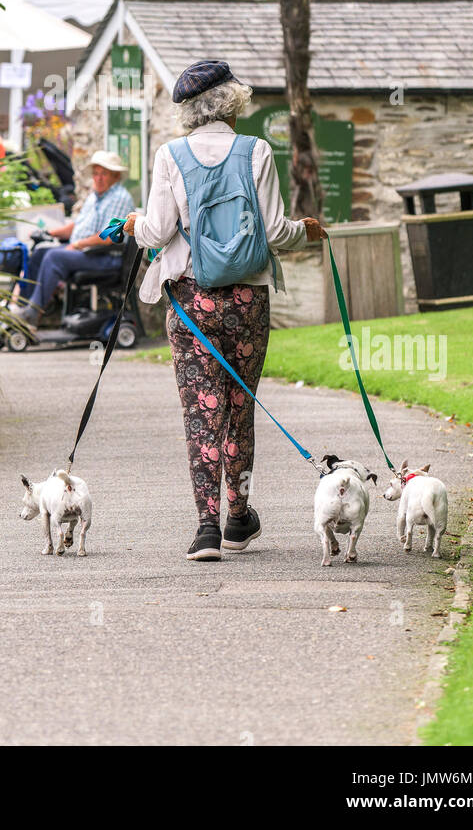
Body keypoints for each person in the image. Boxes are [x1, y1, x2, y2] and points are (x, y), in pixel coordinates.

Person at [122, 60, 326, 562]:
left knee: (201, 413)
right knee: (239, 409)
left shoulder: (169, 156)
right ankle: (239, 518)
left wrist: (131, 223)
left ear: (189, 109)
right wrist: (310, 231)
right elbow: (277, 232)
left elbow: (156, 232)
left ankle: (206, 530)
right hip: (247, 301)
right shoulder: (256, 151)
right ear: (234, 102)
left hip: (191, 302)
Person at [18, 150, 133, 328]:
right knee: (41, 252)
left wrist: (78, 244)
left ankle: (32, 312)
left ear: (116, 176)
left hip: (106, 257)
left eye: (104, 174)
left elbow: (108, 237)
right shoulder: (96, 196)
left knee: (54, 257)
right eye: (96, 173)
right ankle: (25, 308)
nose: (98, 178)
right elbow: (78, 225)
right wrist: (51, 233)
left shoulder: (119, 197)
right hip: (88, 253)